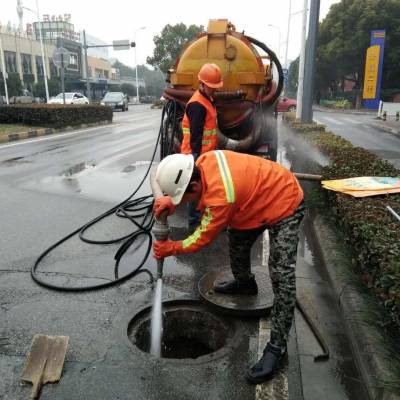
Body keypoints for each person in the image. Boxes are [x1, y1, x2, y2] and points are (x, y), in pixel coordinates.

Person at [153, 150, 305, 384]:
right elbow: (202, 195)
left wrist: (171, 248)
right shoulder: (203, 162)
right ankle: (245, 285)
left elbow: (201, 238)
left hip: (284, 201)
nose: (184, 203)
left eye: (183, 198)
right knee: (237, 240)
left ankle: (277, 347)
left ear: (194, 185)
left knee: (281, 274)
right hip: (253, 203)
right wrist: (172, 201)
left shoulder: (222, 197)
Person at [180, 63, 223, 229]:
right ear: (202, 84)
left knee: (204, 189)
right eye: (211, 86)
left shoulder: (206, 99)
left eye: (215, 87)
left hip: (205, 154)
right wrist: (195, 160)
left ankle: (202, 222)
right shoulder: (198, 104)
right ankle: (194, 226)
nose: (213, 90)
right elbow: (196, 136)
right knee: (195, 190)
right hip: (195, 155)